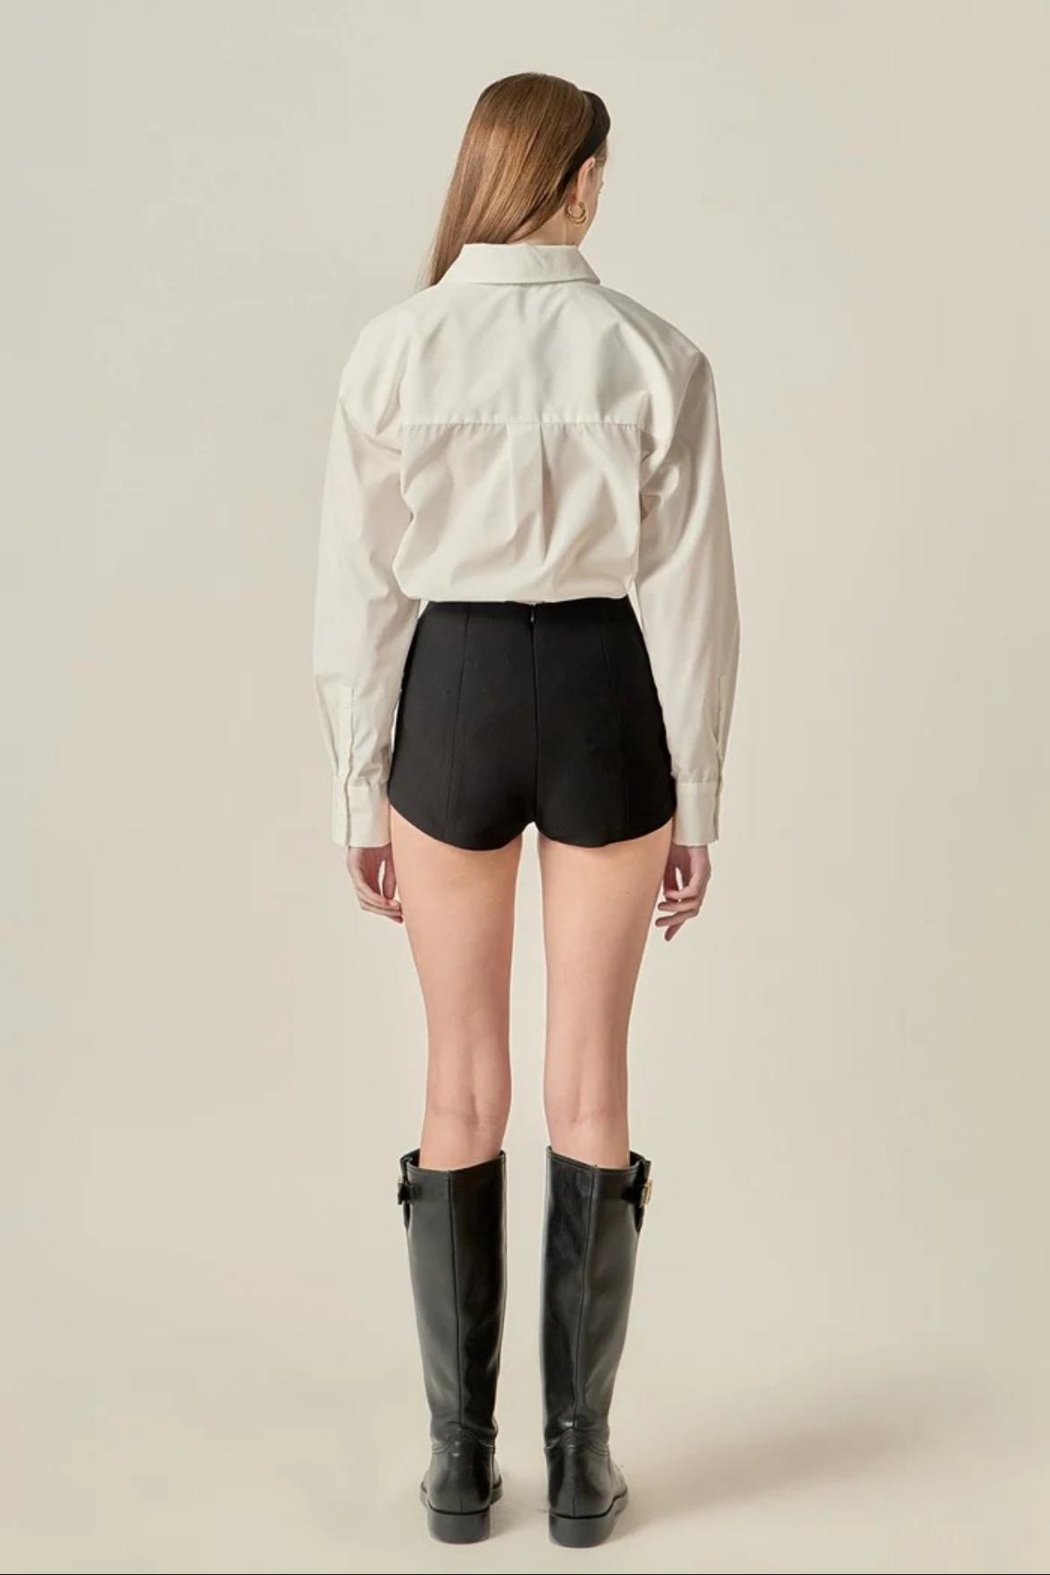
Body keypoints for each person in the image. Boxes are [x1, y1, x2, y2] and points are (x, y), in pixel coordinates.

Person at [312, 71, 741, 1548]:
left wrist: (358, 783)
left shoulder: (395, 347)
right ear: (584, 180)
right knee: (590, 1083)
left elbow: (358, 591)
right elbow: (695, 602)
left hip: (455, 694)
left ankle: (455, 1467)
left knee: (458, 1084)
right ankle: (578, 1467)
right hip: (609, 694)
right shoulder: (657, 355)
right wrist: (700, 797)